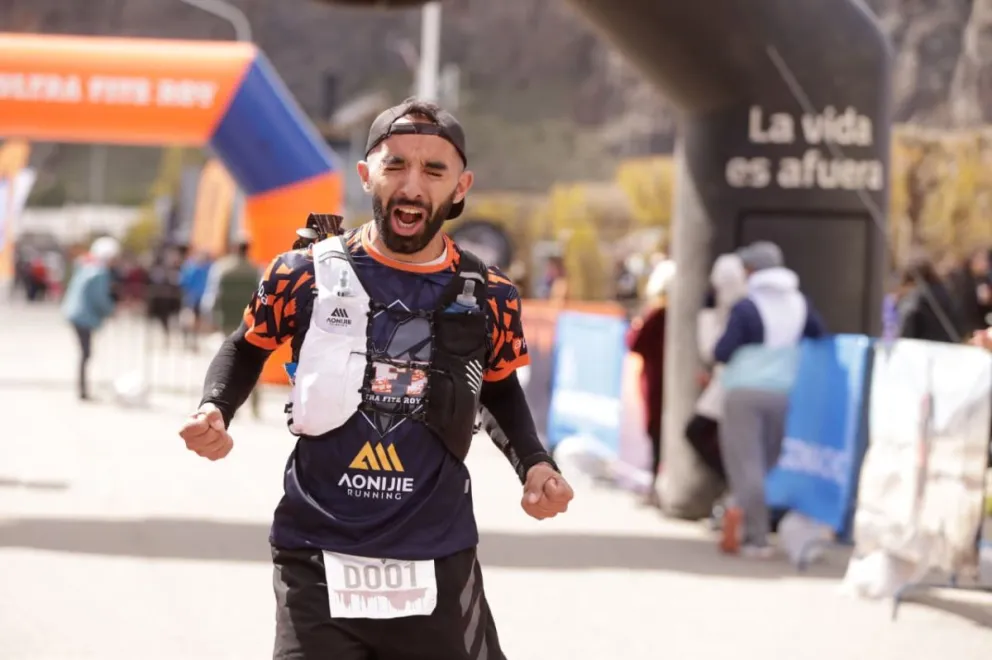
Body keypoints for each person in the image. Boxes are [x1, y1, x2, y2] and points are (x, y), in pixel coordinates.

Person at [178, 98, 574, 660]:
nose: (412, 185)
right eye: (396, 166)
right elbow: (246, 348)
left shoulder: (490, 294)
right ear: (366, 176)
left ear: (460, 187)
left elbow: (498, 384)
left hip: (435, 556)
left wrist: (536, 464)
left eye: (434, 170)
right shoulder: (303, 272)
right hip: (317, 553)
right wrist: (214, 406)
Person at [713, 241, 827, 558]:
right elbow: (820, 335)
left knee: (746, 465)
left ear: (753, 271)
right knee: (768, 464)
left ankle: (755, 536)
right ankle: (746, 519)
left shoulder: (747, 307)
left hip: (744, 394)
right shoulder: (800, 304)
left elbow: (721, 351)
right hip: (784, 395)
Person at [685, 253, 749, 484]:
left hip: (735, 387)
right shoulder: (739, 307)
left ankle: (738, 485)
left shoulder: (739, 310)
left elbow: (712, 350)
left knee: (699, 432)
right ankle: (736, 486)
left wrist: (706, 313)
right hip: (729, 384)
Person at [625, 258, 675, 507]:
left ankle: (658, 486)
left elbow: (635, 343)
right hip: (668, 385)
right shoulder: (675, 314)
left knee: (657, 434)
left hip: (657, 383)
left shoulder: (658, 315)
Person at [201, 241, 264, 418]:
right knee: (253, 363)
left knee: (230, 363)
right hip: (250, 323)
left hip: (227, 321)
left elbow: (211, 296)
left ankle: (230, 407)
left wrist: (210, 318)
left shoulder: (221, 268)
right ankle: (256, 406)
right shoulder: (256, 270)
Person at [61, 236, 120, 401]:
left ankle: (83, 388)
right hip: (83, 316)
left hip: (76, 313)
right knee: (86, 353)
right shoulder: (99, 272)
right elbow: (99, 297)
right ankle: (83, 390)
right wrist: (111, 310)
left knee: (85, 353)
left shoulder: (87, 267)